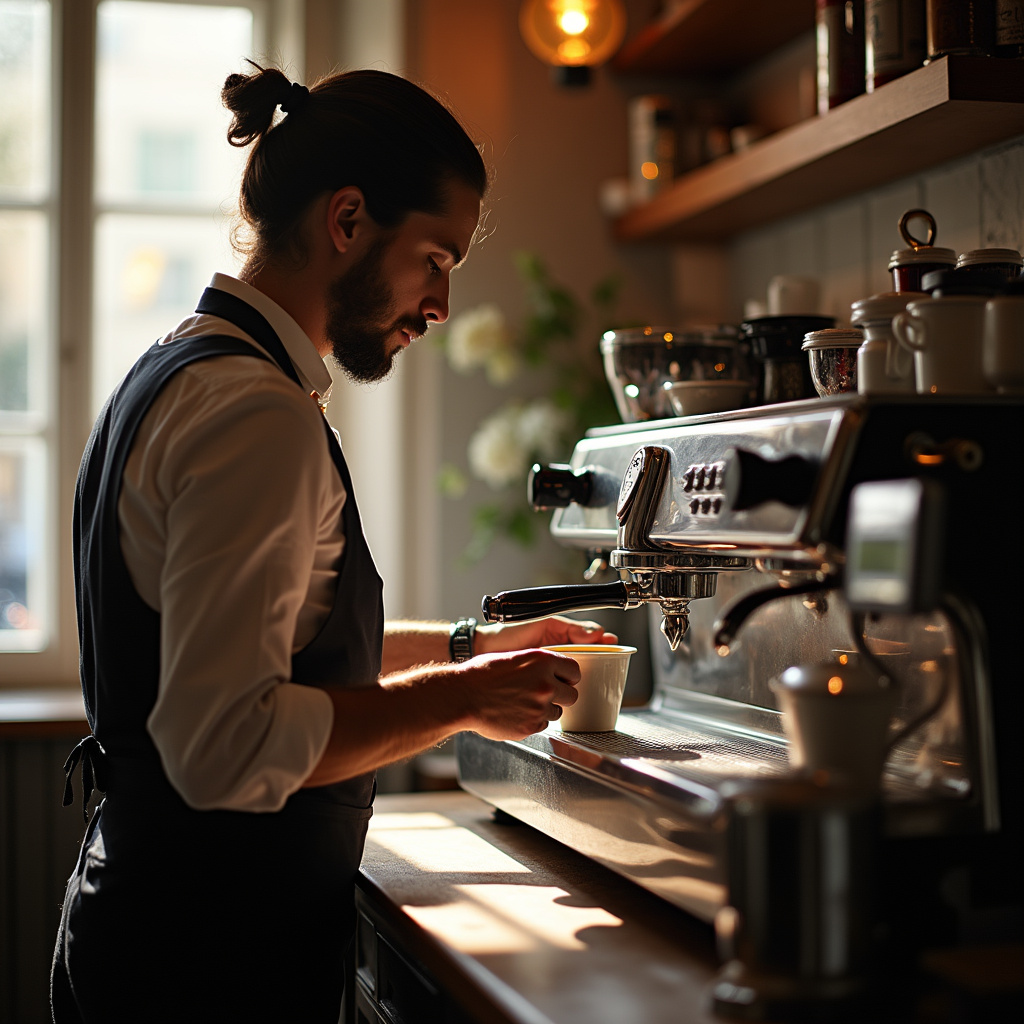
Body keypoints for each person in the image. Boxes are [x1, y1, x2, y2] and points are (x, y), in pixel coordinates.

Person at [51, 65, 615, 1024]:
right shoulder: (253, 417)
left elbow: (278, 654)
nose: (440, 306)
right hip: (204, 969)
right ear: (348, 220)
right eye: (435, 260)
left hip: (154, 931)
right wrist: (466, 700)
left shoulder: (184, 368)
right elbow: (225, 747)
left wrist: (471, 649)